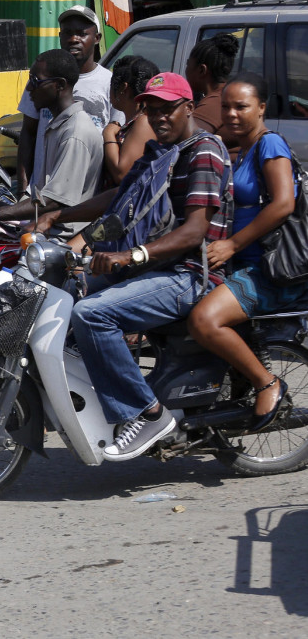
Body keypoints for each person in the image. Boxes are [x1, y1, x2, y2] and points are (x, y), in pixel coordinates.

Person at [34, 72, 232, 460]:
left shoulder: (203, 151)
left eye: (167, 109)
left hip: (188, 274)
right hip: (155, 266)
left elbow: (195, 232)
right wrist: (59, 216)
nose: (158, 117)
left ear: (189, 107)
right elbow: (120, 197)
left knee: (92, 315)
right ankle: (96, 387)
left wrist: (132, 255)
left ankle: (148, 413)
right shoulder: (163, 150)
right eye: (151, 109)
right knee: (63, 287)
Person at [188, 74, 301, 431]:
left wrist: (233, 244)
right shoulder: (240, 149)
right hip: (241, 265)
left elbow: (283, 203)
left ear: (262, 108)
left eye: (242, 106)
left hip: (267, 272)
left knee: (204, 321)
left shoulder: (270, 145)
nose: (232, 114)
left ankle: (267, 382)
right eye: (226, 107)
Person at [0, 50, 101, 225]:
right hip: (44, 227)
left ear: (60, 85)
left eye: (36, 81)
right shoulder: (57, 125)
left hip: (63, 237)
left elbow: (54, 201)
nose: (29, 88)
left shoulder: (75, 133)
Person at [17, 5, 121, 190]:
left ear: (97, 38)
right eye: (67, 33)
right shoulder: (40, 81)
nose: (74, 39)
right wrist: (24, 188)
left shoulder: (110, 83)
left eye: (82, 33)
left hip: (86, 195)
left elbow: (115, 137)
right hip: (42, 193)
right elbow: (28, 132)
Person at [101, 55, 159, 186]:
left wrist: (108, 134)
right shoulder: (136, 121)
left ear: (123, 88)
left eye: (112, 85)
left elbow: (122, 175)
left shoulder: (143, 122)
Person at [184, 33, 240, 135]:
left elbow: (188, 139)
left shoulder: (215, 102)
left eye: (188, 64)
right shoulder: (224, 94)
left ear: (202, 70)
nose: (186, 70)